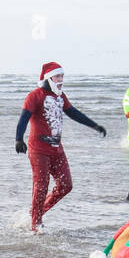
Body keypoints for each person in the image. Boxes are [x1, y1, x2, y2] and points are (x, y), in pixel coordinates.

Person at [15, 61, 107, 233]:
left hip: (56, 149)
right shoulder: (35, 95)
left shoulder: (60, 96)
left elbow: (73, 113)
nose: (60, 79)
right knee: (41, 186)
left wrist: (94, 126)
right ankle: (36, 225)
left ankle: (36, 213)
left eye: (62, 76)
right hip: (39, 150)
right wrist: (18, 138)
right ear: (49, 78)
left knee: (66, 185)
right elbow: (24, 117)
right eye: (57, 76)